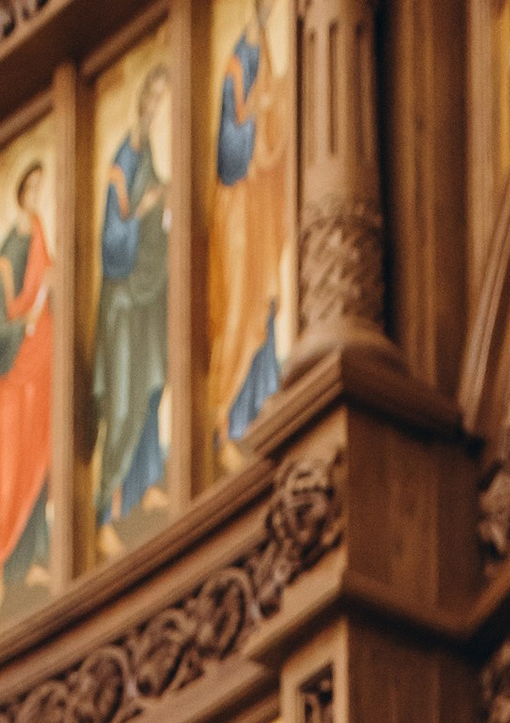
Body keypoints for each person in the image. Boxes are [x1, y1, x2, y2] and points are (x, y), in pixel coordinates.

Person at [92, 68, 172, 547]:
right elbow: (112, 243)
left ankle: (144, 486)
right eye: (155, 100)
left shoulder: (147, 158)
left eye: (165, 101)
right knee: (122, 403)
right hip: (123, 302)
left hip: (150, 290)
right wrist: (143, 212)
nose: (159, 109)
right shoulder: (122, 165)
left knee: (152, 385)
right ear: (143, 103)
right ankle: (105, 509)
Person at [0, 162, 54, 621]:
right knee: (11, 476)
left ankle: (36, 558)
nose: (37, 195)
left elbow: (49, 294)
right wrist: (21, 324)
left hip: (40, 371)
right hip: (10, 382)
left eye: (42, 187)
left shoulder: (41, 235)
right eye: (32, 187)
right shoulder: (6, 256)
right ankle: (4, 571)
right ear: (20, 192)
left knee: (38, 465)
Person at [212, 0, 286, 454]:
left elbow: (272, 119)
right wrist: (260, 113)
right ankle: (228, 416)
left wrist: (274, 107)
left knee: (267, 300)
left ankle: (262, 398)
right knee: (242, 305)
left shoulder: (265, 55)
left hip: (261, 205)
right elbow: (227, 152)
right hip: (238, 210)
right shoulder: (235, 67)